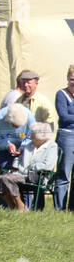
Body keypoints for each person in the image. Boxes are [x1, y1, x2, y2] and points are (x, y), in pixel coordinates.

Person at [0, 121, 57, 211]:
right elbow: (18, 159)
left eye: (33, 134)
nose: (30, 136)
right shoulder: (29, 145)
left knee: (5, 179)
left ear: (41, 137)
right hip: (21, 175)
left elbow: (48, 165)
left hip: (38, 177)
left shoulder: (52, 146)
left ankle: (19, 205)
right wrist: (15, 167)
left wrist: (30, 167)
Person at [0, 103, 35, 175]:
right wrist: (7, 144)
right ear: (8, 120)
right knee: (5, 175)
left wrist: (23, 147)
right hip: (4, 151)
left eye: (19, 126)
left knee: (26, 175)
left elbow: (32, 136)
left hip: (25, 149)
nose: (17, 128)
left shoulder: (29, 117)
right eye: (14, 125)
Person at [56, 64, 74, 210]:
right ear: (67, 78)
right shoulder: (61, 95)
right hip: (67, 136)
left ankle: (72, 208)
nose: (73, 82)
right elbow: (64, 117)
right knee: (64, 174)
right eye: (72, 79)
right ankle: (59, 209)